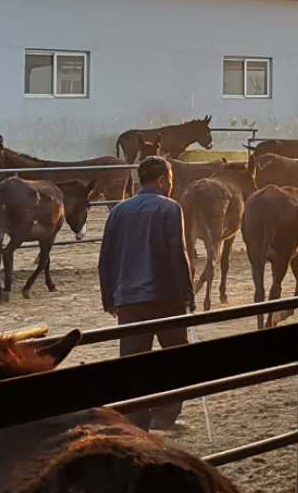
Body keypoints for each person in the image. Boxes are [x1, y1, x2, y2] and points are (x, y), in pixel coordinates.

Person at [98, 156, 196, 431]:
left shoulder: (119, 211)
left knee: (133, 361)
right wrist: (187, 293)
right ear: (163, 180)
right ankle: (165, 415)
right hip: (165, 298)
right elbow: (178, 254)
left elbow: (106, 258)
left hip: (128, 299)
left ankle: (136, 419)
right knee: (175, 358)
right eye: (171, 180)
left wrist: (109, 298)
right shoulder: (170, 208)